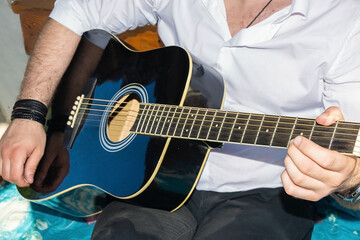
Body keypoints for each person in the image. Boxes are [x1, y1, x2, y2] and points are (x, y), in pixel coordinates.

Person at [1, 0, 360, 239]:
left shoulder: (346, 18)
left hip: (267, 191)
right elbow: (75, 12)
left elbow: (351, 156)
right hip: (144, 176)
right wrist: (29, 114)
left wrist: (350, 178)